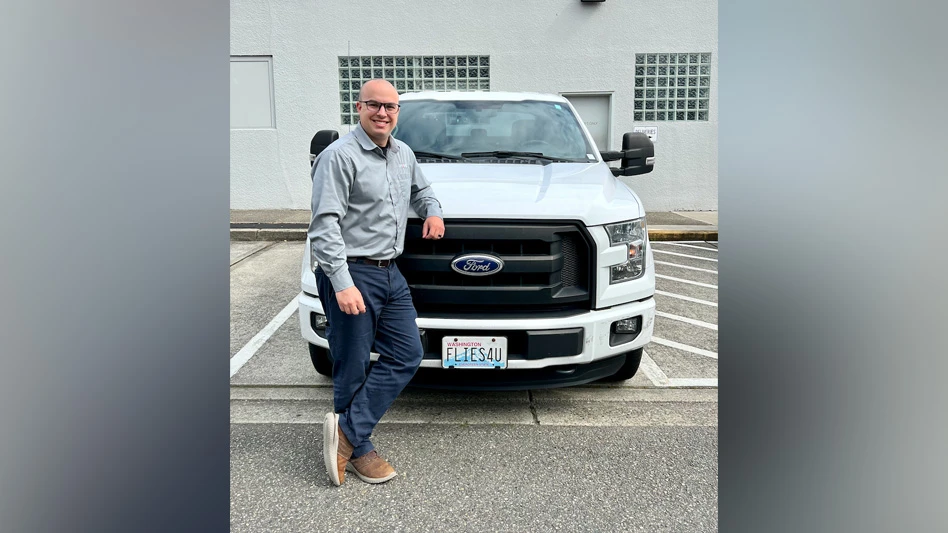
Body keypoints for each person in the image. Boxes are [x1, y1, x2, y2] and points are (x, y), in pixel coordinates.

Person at [308, 79, 445, 486]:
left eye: (390, 106)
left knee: (407, 352)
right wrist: (341, 282)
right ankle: (359, 448)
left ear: (397, 112)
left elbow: (423, 190)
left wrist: (433, 211)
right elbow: (324, 225)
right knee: (350, 365)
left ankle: (346, 434)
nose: (383, 113)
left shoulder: (403, 153)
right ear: (359, 107)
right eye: (374, 105)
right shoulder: (338, 157)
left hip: (390, 271)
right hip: (351, 272)